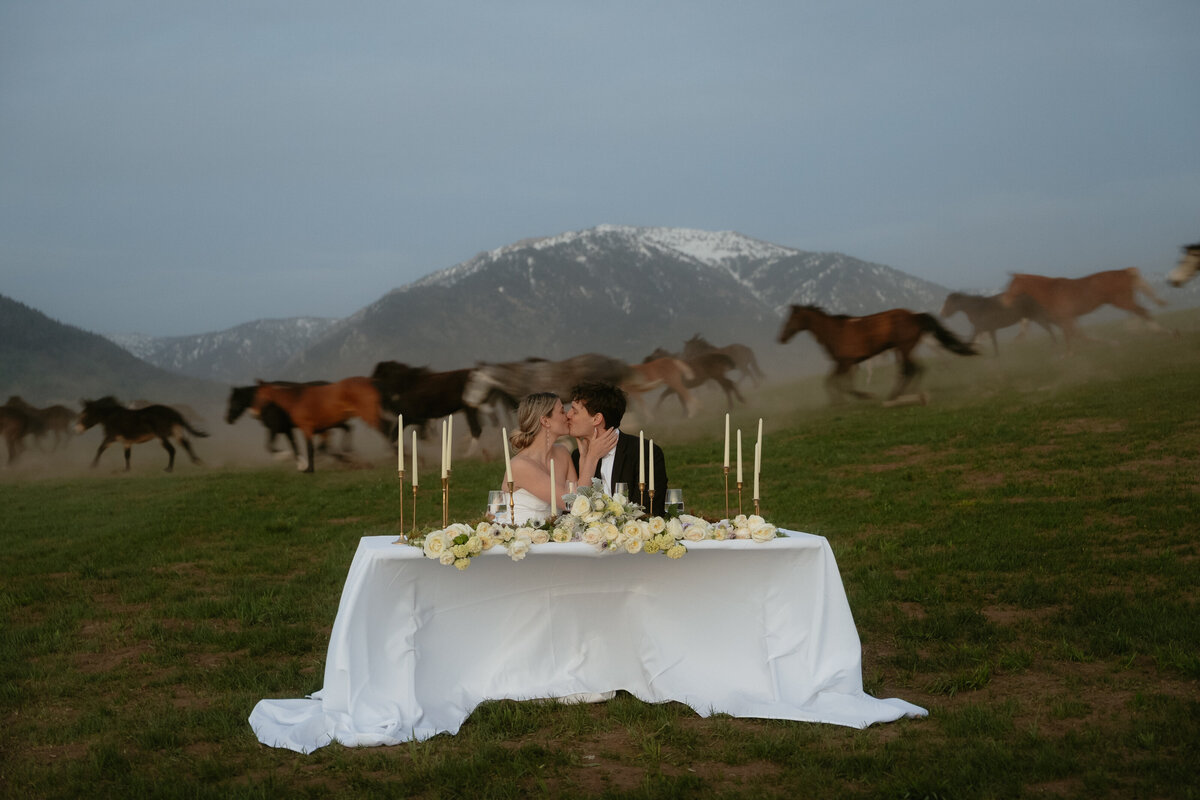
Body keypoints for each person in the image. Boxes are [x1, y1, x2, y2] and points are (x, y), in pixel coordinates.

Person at [567, 381, 669, 517]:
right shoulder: (577, 456)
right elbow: (574, 512)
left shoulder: (643, 452)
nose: (568, 415)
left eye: (574, 411)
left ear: (597, 419)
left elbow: (649, 511)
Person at [502, 392, 599, 524]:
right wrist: (593, 458)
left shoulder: (562, 453)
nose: (568, 416)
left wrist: (584, 458)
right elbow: (572, 504)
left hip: (554, 538)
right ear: (545, 421)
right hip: (522, 538)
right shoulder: (520, 465)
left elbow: (577, 501)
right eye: (562, 411)